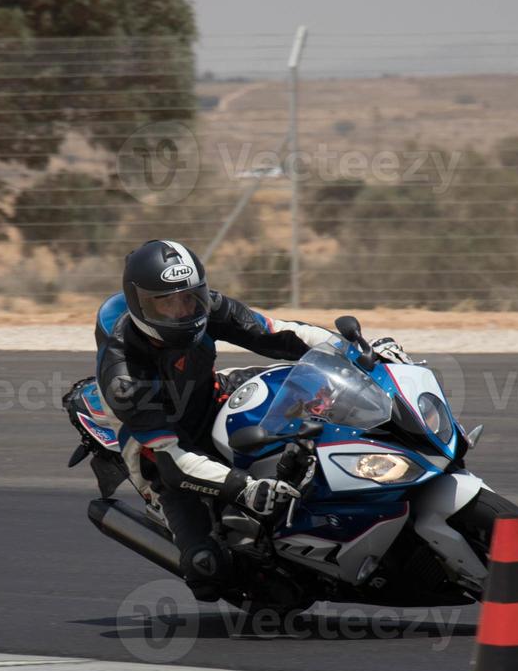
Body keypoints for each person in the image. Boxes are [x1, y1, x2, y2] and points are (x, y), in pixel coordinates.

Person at [94, 239, 409, 602]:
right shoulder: (124, 377)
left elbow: (275, 333)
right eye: (166, 304)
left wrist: (354, 350)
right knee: (206, 569)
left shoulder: (207, 306)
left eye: (189, 298)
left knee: (317, 389)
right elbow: (173, 461)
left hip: (211, 394)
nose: (182, 311)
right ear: (140, 305)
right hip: (160, 448)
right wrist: (242, 486)